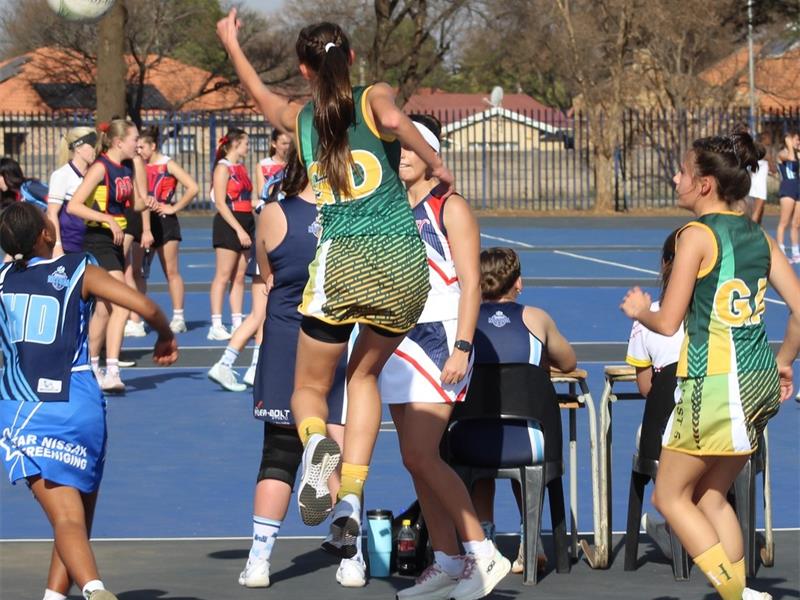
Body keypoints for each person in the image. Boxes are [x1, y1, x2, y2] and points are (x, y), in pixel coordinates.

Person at [217, 11, 452, 560]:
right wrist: (437, 162)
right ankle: (347, 494)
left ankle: (317, 441)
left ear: (303, 68)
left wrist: (233, 44)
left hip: (342, 263)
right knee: (363, 378)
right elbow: (394, 119)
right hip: (400, 265)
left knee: (307, 390)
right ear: (350, 58)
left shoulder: (300, 117)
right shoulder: (374, 95)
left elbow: (257, 93)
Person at [620, 132, 800, 600]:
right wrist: (782, 361)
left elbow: (668, 320)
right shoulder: (759, 236)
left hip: (716, 381)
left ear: (703, 184)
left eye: (682, 171)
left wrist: (641, 310)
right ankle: (743, 592)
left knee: (668, 497)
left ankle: (735, 594)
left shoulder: (696, 236)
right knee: (712, 497)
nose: (675, 178)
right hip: (756, 377)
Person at [0, 202, 178, 600]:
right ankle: (55, 595)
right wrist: (165, 334)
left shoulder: (1, 280)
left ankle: (95, 590)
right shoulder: (79, 270)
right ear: (46, 235)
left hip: (24, 406)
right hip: (79, 403)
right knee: (75, 520)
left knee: (66, 518)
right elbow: (145, 306)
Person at [377, 115, 509, 599]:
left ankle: (482, 551)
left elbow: (472, 283)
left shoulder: (450, 206)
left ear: (431, 154)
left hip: (442, 338)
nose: (402, 154)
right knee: (413, 460)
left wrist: (463, 345)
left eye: (412, 147)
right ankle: (450, 561)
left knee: (421, 453)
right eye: (399, 147)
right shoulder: (391, 208)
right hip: (398, 337)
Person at [237, 150, 365, 589]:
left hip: (286, 338)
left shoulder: (272, 213)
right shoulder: (355, 217)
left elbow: (266, 275)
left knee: (277, 454)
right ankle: (350, 558)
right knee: (345, 454)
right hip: (336, 338)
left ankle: (258, 560)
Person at [470, 246, 576, 577]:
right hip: (526, 441)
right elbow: (569, 362)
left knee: (480, 464)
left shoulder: (464, 321)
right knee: (523, 444)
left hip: (469, 441)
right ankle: (530, 542)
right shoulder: (536, 318)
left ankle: (482, 545)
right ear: (518, 283)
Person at [67, 119, 148, 393]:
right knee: (120, 302)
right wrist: (107, 220)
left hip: (114, 241)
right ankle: (111, 370)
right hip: (97, 240)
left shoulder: (126, 167)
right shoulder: (101, 167)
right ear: (118, 142)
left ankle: (90, 366)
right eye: (135, 138)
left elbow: (135, 203)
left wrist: (151, 202)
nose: (139, 143)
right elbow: (74, 206)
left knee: (104, 308)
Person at [624, 229, 684, 558]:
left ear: (664, 265)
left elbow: (647, 388)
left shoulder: (646, 320)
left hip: (666, 434)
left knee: (661, 428)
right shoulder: (715, 317)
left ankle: (677, 526)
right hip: (720, 429)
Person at [124, 127, 199, 336]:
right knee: (137, 270)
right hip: (143, 221)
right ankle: (136, 320)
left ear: (153, 146)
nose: (138, 150)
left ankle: (178, 317)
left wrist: (173, 207)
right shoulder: (136, 165)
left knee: (171, 271)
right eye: (136, 146)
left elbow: (193, 187)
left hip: (165, 221)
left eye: (142, 147)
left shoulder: (167, 164)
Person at [208, 128, 254, 341]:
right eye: (245, 143)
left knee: (239, 276)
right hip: (229, 224)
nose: (248, 147)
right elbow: (220, 202)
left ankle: (237, 321)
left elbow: (247, 199)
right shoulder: (222, 168)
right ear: (235, 144)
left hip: (246, 221)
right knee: (223, 275)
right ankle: (216, 323)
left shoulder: (242, 167)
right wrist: (238, 229)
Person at [46, 128, 97, 255]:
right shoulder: (61, 175)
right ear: (78, 148)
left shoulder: (96, 173)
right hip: (70, 246)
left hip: (93, 243)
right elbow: (52, 213)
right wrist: (57, 246)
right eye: (92, 145)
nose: (95, 150)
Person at [775, 129, 799, 263]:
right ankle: (781, 251)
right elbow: (789, 158)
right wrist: (790, 145)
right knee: (784, 222)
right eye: (795, 139)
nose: (797, 141)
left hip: (798, 188)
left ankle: (796, 252)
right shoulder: (782, 153)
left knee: (796, 223)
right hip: (788, 188)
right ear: (787, 140)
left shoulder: (797, 154)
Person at [255, 129, 291, 203]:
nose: (288, 147)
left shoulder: (294, 164)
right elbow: (261, 193)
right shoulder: (263, 164)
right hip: (272, 206)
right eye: (284, 144)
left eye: (289, 143)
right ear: (274, 144)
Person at [746, 134, 770, 225]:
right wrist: (770, 161)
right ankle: (752, 231)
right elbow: (774, 169)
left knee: (758, 212)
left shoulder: (753, 153)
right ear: (764, 139)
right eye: (768, 138)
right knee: (757, 213)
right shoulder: (764, 154)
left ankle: (757, 230)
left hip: (752, 186)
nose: (770, 140)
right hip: (760, 187)